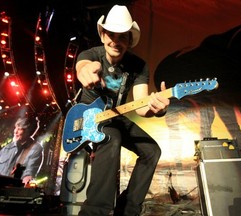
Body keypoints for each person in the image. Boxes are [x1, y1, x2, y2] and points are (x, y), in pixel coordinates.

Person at [75, 5, 170, 216]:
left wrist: (158, 109)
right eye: (111, 35)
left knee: (152, 151)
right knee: (113, 137)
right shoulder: (91, 54)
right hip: (90, 118)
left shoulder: (138, 66)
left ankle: (128, 209)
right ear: (102, 35)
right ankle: (94, 211)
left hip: (116, 116)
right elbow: (83, 66)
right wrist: (85, 71)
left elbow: (142, 107)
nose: (115, 41)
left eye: (122, 37)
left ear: (129, 40)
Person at [0, 116, 44, 186]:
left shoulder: (35, 148)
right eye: (15, 128)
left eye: (19, 129)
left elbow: (29, 173)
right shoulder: (8, 147)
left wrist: (26, 182)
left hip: (11, 191)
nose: (15, 131)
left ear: (28, 132)